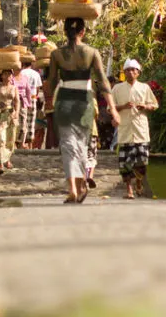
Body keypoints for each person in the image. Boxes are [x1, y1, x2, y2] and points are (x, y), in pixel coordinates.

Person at [48, 18, 120, 204]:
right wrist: (112, 108)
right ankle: (79, 186)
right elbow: (103, 82)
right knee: (80, 144)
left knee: (67, 144)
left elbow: (52, 82)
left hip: (64, 100)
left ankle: (74, 188)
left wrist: (48, 101)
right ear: (83, 32)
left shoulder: (56, 54)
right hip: (84, 101)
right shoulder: (91, 52)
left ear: (64, 32)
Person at [112, 59, 159, 200]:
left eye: (133, 70)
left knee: (142, 161)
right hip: (125, 130)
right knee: (125, 164)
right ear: (124, 73)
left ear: (138, 72)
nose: (130, 72)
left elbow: (154, 105)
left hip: (140, 130)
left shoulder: (145, 88)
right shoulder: (117, 89)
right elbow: (110, 108)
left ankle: (139, 182)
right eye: (127, 70)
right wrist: (123, 106)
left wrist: (145, 106)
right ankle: (129, 190)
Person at [0, 68, 20, 173]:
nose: (7, 76)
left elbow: (17, 101)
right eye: (5, 74)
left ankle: (7, 159)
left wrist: (16, 112)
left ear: (12, 76)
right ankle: (0, 164)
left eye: (9, 74)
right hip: (0, 115)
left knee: (10, 140)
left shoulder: (14, 88)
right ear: (2, 75)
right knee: (1, 139)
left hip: (11, 115)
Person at [16, 58, 42, 149]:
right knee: (31, 122)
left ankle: (20, 143)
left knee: (22, 121)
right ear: (31, 63)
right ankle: (30, 145)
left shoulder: (20, 73)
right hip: (33, 98)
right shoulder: (36, 74)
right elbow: (38, 88)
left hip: (22, 100)